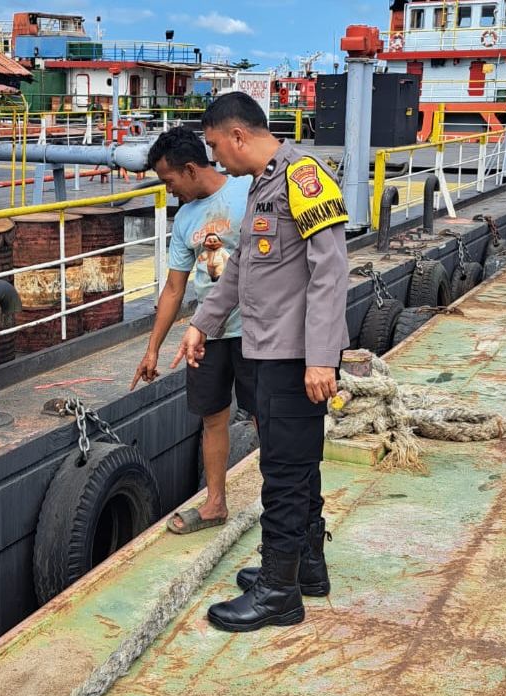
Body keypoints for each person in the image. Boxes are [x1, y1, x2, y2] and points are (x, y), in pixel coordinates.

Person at [171, 91, 351, 633]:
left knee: (285, 472)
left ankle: (279, 593)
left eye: (215, 145)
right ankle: (306, 569)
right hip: (269, 350)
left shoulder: (303, 178)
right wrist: (200, 325)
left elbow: (331, 273)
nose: (215, 158)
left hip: (296, 357)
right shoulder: (263, 187)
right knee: (294, 462)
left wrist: (321, 359)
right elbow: (244, 271)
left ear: (239, 136)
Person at [130, 125, 254, 534]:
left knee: (267, 417)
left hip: (257, 330)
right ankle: (216, 504)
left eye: (169, 181)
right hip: (208, 333)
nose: (168, 192)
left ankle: (278, 501)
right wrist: (152, 350)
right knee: (212, 418)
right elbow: (173, 288)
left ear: (188, 169)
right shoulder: (185, 220)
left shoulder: (246, 192)